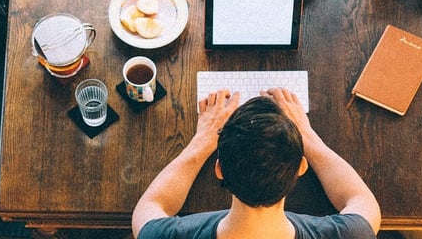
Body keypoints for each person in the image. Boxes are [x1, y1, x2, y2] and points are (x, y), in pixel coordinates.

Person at [131, 87, 381, 238]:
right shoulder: (353, 234)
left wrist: (202, 140)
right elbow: (362, 201)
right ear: (301, 168)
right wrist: (307, 136)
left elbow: (148, 208)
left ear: (219, 170)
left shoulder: (160, 235)